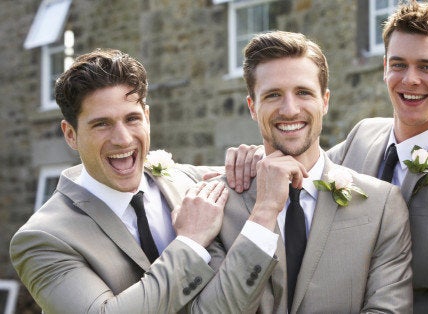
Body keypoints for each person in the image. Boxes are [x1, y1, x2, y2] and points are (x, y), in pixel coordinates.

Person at [222, 2, 428, 313]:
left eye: (427, 67)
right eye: (398, 64)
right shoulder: (364, 135)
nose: (410, 80)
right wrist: (257, 155)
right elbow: (306, 163)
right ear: (384, 68)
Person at [10, 49, 277, 313]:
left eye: (132, 118)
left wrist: (254, 158)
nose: (123, 138)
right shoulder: (43, 238)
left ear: (147, 118)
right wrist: (192, 243)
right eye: (102, 124)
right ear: (70, 134)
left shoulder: (190, 182)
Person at [209, 30, 413, 313]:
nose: (290, 110)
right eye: (273, 95)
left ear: (325, 101)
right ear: (252, 107)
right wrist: (264, 211)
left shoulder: (382, 205)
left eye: (303, 92)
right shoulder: (214, 206)